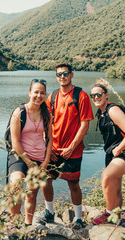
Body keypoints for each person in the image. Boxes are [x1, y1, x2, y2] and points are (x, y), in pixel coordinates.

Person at [39, 63, 94, 229]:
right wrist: (47, 145)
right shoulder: (53, 96)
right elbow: (46, 122)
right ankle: (49, 212)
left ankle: (78, 218)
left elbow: (84, 125)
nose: (62, 77)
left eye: (65, 73)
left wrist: (71, 147)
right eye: (59, 74)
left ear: (72, 75)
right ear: (56, 77)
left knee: (74, 184)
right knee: (46, 179)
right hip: (54, 149)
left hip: (73, 150)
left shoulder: (80, 95)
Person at [90, 80, 125, 225]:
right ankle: (117, 213)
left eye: (99, 94)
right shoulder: (102, 112)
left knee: (106, 177)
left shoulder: (112, 110)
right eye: (93, 96)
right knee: (116, 187)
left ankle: (108, 214)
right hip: (113, 154)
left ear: (106, 95)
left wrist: (119, 148)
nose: (96, 98)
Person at [8, 79, 53, 227]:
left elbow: (50, 139)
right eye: (36, 92)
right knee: (16, 184)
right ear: (29, 93)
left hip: (39, 157)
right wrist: (28, 162)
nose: (39, 96)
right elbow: (15, 142)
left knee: (32, 194)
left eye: (42, 93)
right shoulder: (20, 112)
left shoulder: (46, 114)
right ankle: (14, 225)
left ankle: (28, 226)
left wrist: (45, 162)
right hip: (20, 156)